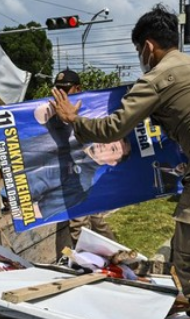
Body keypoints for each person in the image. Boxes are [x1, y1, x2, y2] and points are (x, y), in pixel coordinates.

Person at [50, 4, 190, 319]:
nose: (141, 58)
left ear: (149, 47)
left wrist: (73, 119)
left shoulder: (154, 80)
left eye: (140, 51)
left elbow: (113, 128)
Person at [51, 69, 118, 243]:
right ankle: (86, 261)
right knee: (79, 222)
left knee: (97, 221)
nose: (61, 94)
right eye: (58, 89)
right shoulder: (53, 111)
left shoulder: (91, 110)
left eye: (66, 90)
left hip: (91, 171)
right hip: (70, 173)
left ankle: (118, 257)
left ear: (78, 89)